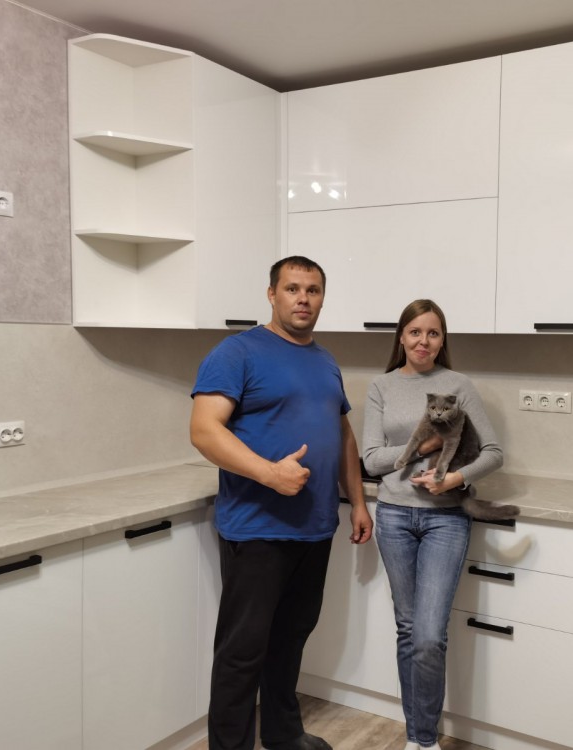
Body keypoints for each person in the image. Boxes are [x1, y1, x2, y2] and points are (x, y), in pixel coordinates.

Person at [189, 255, 373, 750]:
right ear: (272, 294)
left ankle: (283, 734)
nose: (303, 299)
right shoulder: (238, 352)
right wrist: (270, 473)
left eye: (313, 290)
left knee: (291, 639)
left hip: (315, 527)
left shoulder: (325, 360)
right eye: (292, 289)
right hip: (258, 529)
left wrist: (356, 501)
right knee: (242, 652)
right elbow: (204, 430)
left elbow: (342, 433)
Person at [361, 299, 504, 750]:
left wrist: (455, 479)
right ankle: (417, 739)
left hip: (446, 520)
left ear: (443, 340)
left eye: (433, 333)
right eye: (415, 332)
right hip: (394, 516)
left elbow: (493, 452)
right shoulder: (381, 386)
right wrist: (426, 447)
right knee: (408, 630)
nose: (423, 341)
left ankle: (424, 740)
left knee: (427, 636)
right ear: (401, 337)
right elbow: (371, 460)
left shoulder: (458, 385)